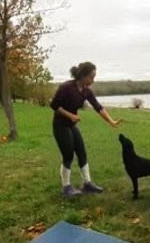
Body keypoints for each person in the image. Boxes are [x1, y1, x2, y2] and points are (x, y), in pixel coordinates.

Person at [50, 61, 121, 197]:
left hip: (71, 125)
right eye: (91, 77)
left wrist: (111, 121)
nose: (92, 80)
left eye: (94, 77)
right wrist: (70, 115)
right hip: (60, 125)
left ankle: (87, 184)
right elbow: (54, 105)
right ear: (82, 75)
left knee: (82, 152)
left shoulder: (86, 91)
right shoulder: (66, 87)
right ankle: (66, 188)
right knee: (68, 155)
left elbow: (98, 107)